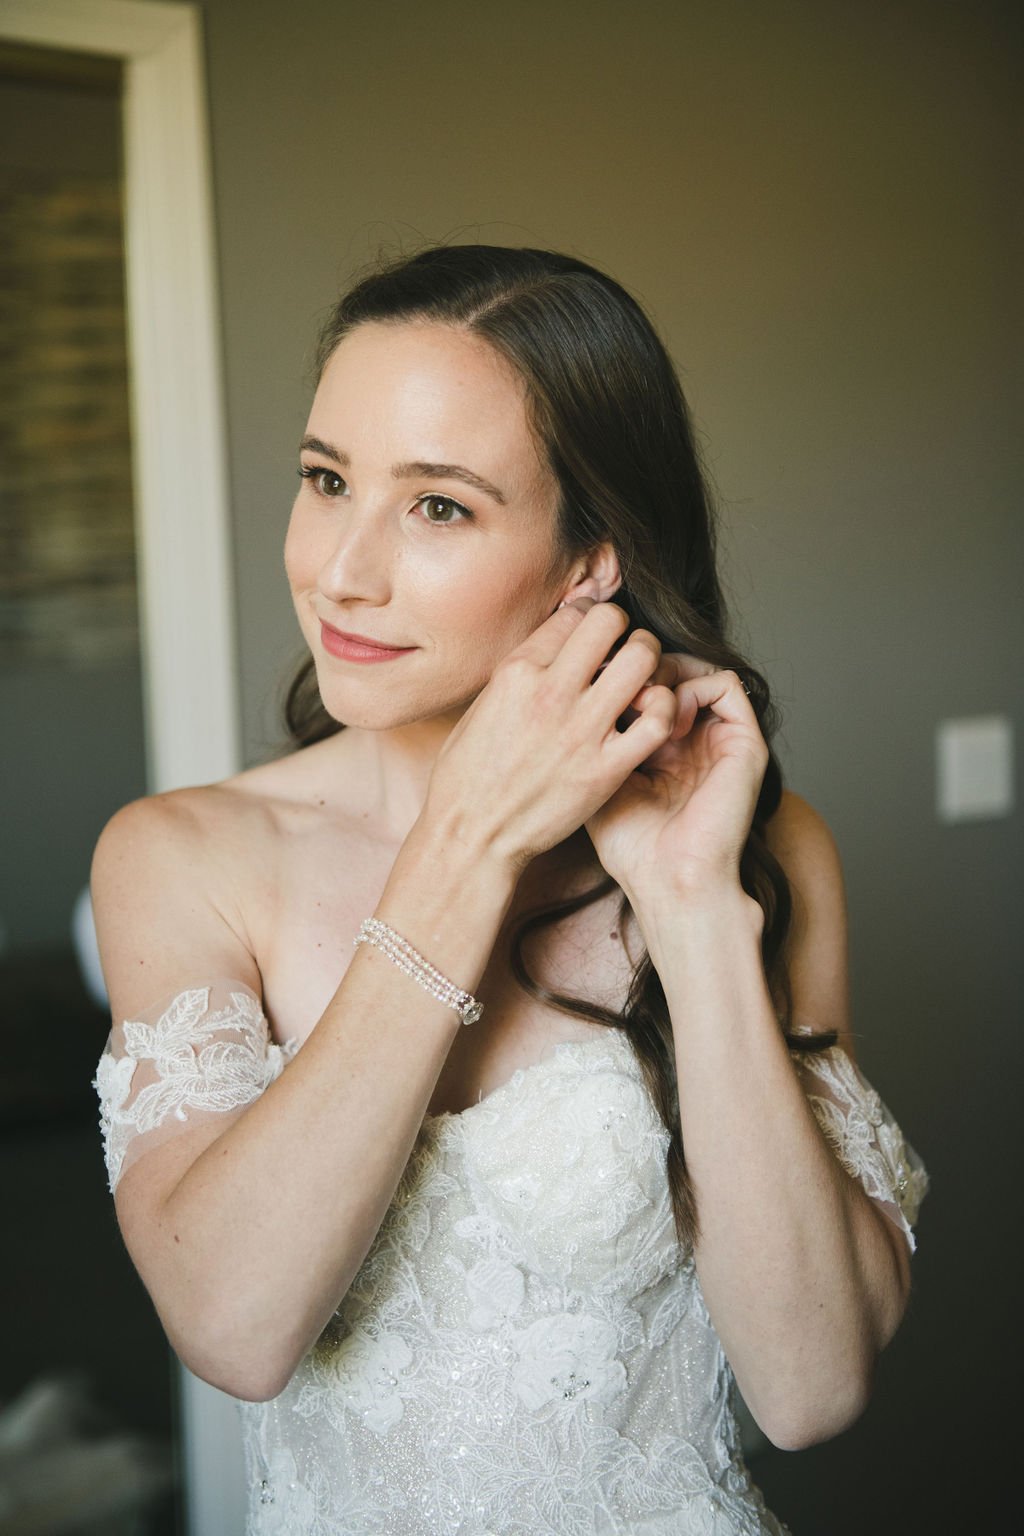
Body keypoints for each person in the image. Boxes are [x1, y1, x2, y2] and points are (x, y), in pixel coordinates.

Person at [91, 244, 928, 1535]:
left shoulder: (761, 847)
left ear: (590, 560)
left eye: (438, 507)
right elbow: (237, 1329)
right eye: (326, 481)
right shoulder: (182, 859)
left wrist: (696, 912)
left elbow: (810, 1389)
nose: (341, 569)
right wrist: (464, 848)